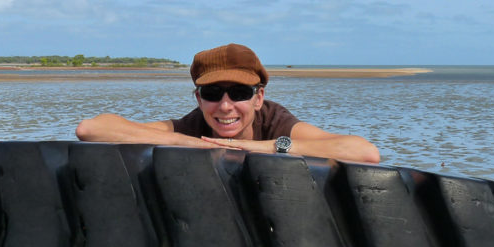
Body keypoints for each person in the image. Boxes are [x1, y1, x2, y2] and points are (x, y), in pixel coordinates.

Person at [75, 43, 381, 164]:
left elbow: (364, 152)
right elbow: (91, 129)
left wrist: (266, 147)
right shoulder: (193, 125)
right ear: (198, 98)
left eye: (238, 93)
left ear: (259, 97)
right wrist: (186, 141)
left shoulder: (276, 122)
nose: (224, 106)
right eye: (212, 93)